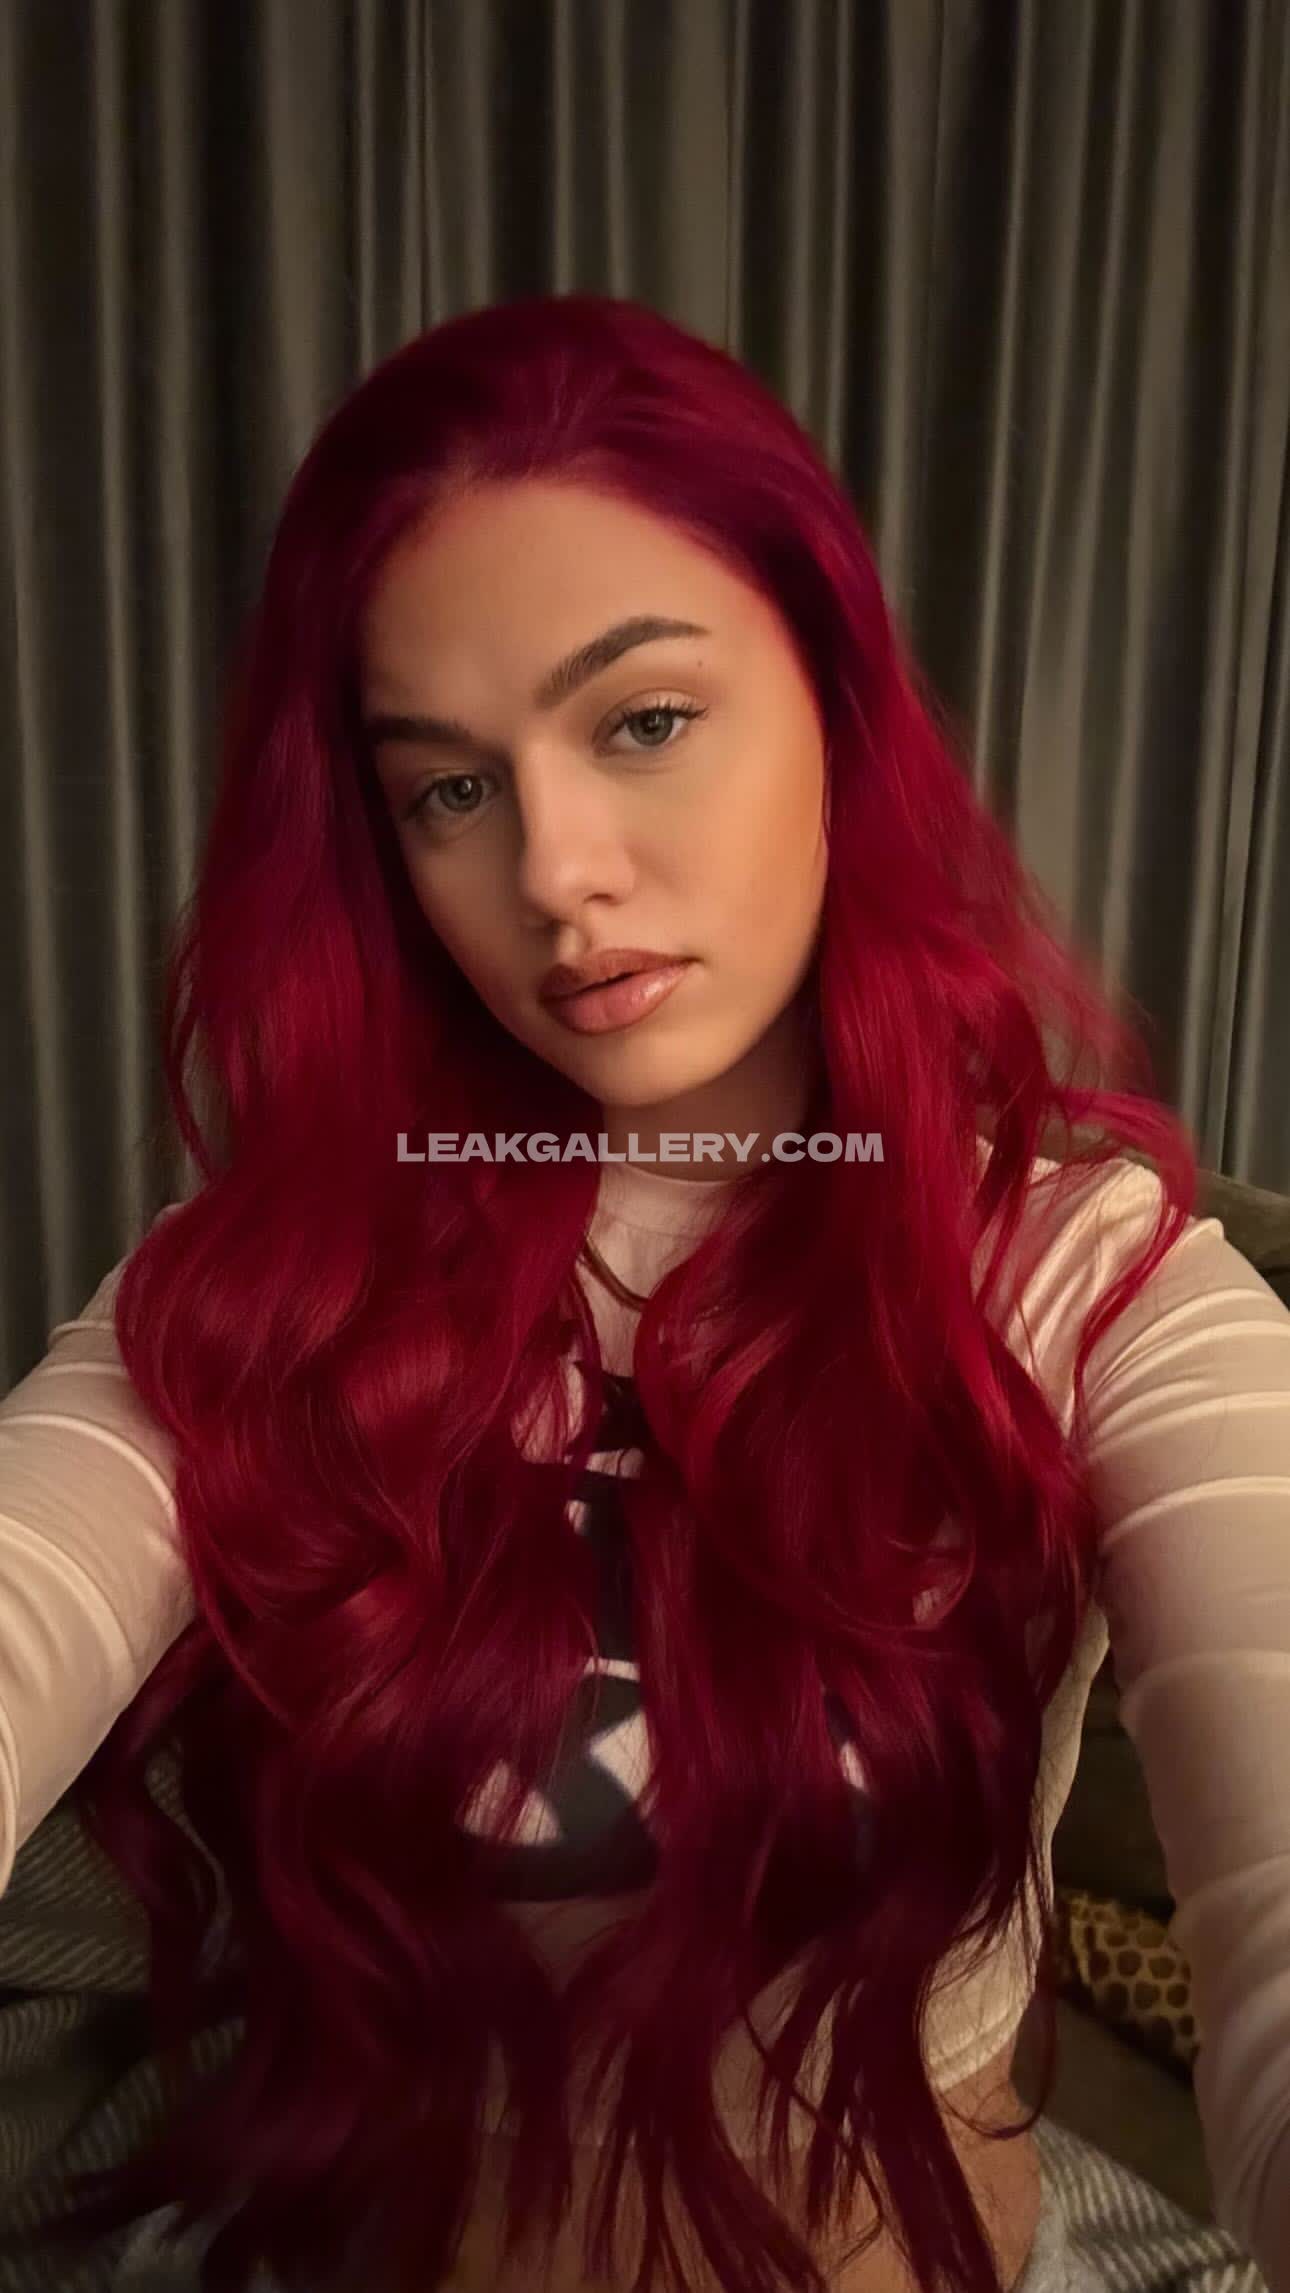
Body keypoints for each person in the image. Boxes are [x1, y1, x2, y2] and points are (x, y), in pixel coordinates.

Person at [1, 292, 1287, 2293]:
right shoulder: (279, 1271)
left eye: (643, 721)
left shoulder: (1083, 1279)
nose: (554, 870)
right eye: (448, 789)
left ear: (834, 703)